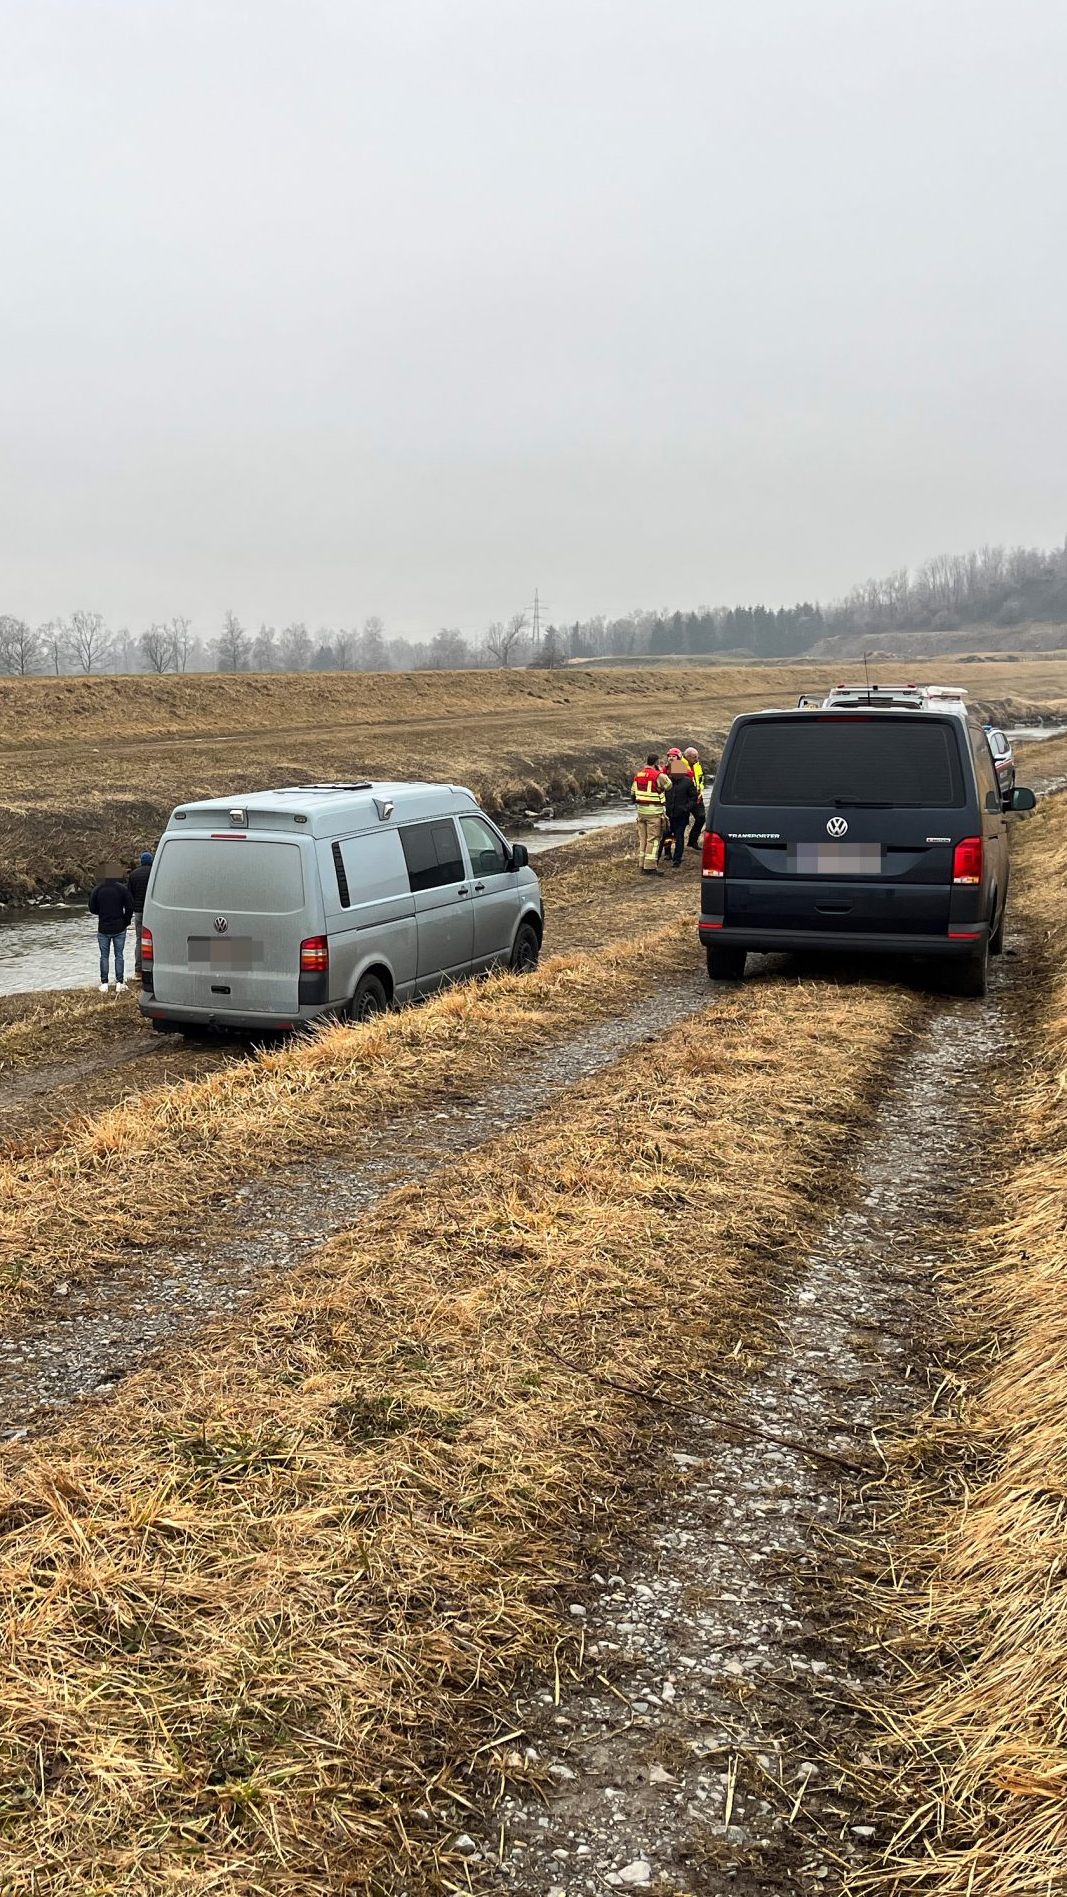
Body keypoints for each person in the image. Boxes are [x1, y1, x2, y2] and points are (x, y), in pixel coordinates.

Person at [88, 863, 134, 994]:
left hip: (103, 927)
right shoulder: (122, 889)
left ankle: (104, 984)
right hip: (119, 926)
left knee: (104, 956)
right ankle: (120, 983)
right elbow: (130, 906)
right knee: (119, 955)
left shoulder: (97, 889)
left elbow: (92, 908)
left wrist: (101, 913)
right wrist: (126, 921)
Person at [631, 753, 671, 875]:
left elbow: (633, 792)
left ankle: (642, 864)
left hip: (641, 812)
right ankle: (650, 867)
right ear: (656, 763)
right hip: (654, 813)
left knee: (643, 839)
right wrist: (660, 772)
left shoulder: (638, 775)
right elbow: (669, 785)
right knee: (653, 840)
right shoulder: (658, 775)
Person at [664, 756, 699, 868]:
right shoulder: (667, 781)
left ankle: (677, 859)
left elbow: (694, 798)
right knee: (667, 835)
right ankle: (667, 853)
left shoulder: (688, 782)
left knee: (679, 837)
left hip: (681, 815)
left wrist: (686, 808)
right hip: (668, 814)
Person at [127, 849, 153, 976]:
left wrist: (130, 911)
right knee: (153, 940)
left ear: (141, 861)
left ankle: (138, 969)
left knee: (139, 939)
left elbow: (129, 895)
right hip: (153, 911)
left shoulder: (133, 874)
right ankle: (152, 968)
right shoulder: (155, 872)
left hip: (138, 912)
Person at [684, 747, 707, 850]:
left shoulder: (697, 765)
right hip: (684, 798)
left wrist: (700, 792)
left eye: (697, 757)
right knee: (680, 823)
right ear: (687, 756)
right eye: (694, 757)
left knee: (701, 817)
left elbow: (700, 780)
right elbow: (676, 783)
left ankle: (692, 841)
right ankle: (672, 848)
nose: (697, 759)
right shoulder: (679, 764)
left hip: (697, 797)